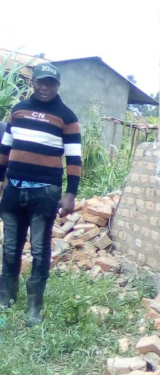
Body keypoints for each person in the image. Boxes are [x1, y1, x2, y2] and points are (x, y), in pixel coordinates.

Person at [0, 63, 81, 326]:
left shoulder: (66, 117)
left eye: (50, 83)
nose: (44, 87)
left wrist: (70, 194)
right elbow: (4, 149)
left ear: (58, 86)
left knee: (40, 248)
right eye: (40, 82)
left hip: (45, 192)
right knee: (11, 247)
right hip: (13, 188)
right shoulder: (18, 110)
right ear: (33, 82)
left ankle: (34, 307)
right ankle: (6, 299)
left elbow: (74, 158)